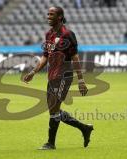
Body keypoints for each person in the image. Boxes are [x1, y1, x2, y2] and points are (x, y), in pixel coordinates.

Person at [24, 6, 94, 150]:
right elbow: (45, 56)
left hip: (64, 75)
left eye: (52, 14)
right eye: (48, 14)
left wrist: (81, 80)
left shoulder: (68, 34)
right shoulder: (48, 34)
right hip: (52, 75)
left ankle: (50, 143)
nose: (48, 16)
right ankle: (84, 128)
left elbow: (75, 57)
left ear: (60, 17)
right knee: (53, 110)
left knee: (54, 108)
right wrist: (33, 72)